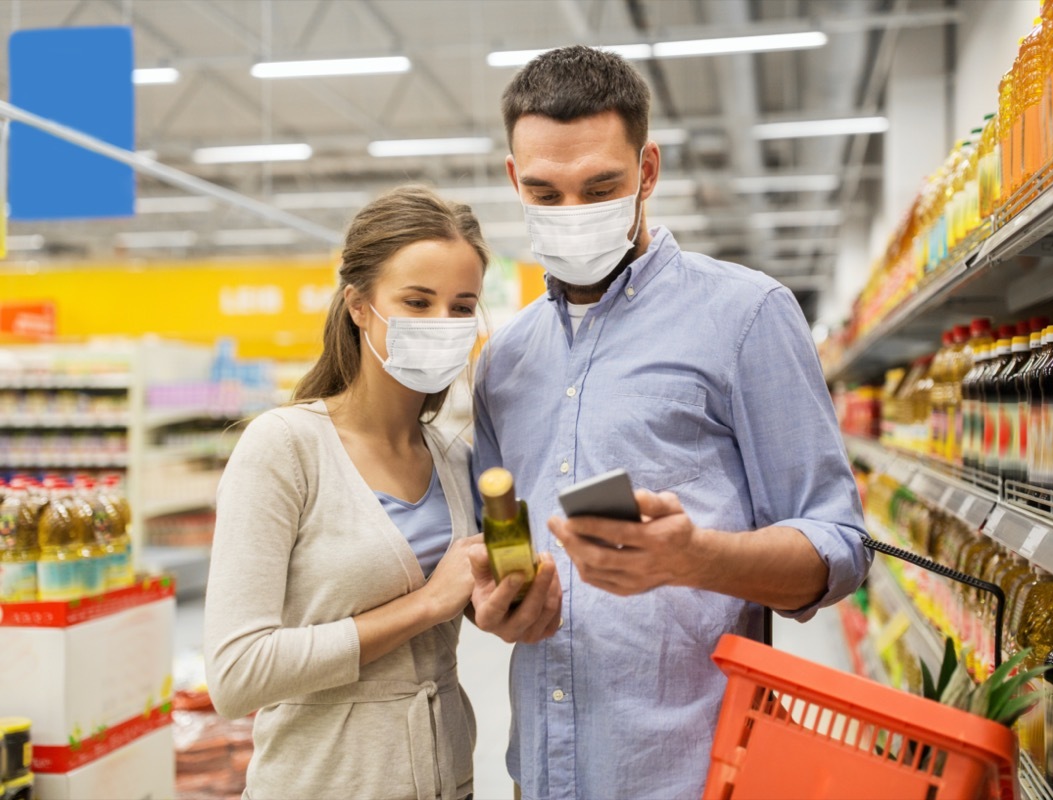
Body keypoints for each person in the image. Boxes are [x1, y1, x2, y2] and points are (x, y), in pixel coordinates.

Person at [467, 46, 872, 799]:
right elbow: (504, 542)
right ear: (513, 180)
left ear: (647, 171)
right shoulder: (505, 361)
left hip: (691, 776)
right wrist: (497, 604)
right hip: (544, 775)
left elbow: (840, 545)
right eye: (545, 193)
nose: (573, 215)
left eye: (601, 187)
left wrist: (695, 558)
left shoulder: (746, 317)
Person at [205, 185, 491, 800]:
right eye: (417, 301)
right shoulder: (283, 449)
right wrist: (426, 603)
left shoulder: (454, 459)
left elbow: (469, 608)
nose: (443, 325)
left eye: (461, 307)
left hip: (448, 780)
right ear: (359, 306)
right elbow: (236, 674)